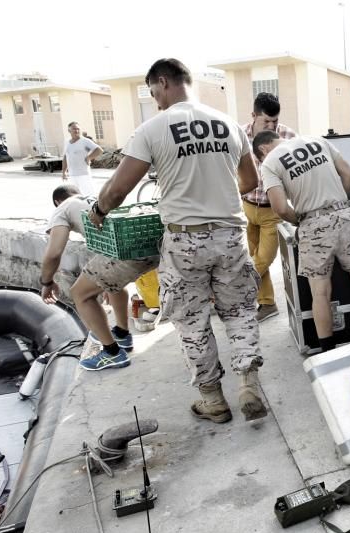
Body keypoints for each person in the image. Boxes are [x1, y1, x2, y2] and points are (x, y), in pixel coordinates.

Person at [91, 57, 268, 424]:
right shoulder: (230, 125)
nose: (155, 99)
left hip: (186, 241)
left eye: (154, 91)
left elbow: (119, 189)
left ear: (163, 82)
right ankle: (248, 382)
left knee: (192, 321)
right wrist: (216, 192)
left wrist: (98, 209)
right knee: (239, 312)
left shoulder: (153, 128)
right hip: (230, 236)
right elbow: (250, 182)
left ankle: (212, 400)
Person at [255, 130, 350, 353]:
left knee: (321, 292)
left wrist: (301, 220)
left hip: (313, 224)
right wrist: (339, 203)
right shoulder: (316, 140)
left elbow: (280, 208)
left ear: (263, 149)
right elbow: (349, 175)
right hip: (345, 215)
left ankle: (328, 351)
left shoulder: (269, 162)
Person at [39, 184, 159, 371]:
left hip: (126, 254)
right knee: (111, 282)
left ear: (57, 201)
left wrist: (47, 282)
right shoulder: (92, 198)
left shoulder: (62, 208)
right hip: (150, 247)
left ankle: (111, 353)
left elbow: (53, 253)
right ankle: (121, 332)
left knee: (80, 294)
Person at [241, 93, 296, 322]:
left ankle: (233, 291)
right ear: (253, 116)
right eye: (266, 122)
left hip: (273, 210)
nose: (272, 126)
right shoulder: (240, 135)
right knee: (254, 255)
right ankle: (267, 304)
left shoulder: (288, 136)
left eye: (275, 121)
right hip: (246, 206)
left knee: (263, 259)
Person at [62, 122, 102, 196]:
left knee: (90, 196)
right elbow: (65, 157)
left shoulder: (85, 141)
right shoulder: (66, 142)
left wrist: (89, 157)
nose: (76, 131)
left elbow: (99, 150)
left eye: (78, 129)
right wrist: (64, 172)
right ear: (69, 130)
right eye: (74, 129)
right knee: (76, 196)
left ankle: (92, 207)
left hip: (84, 175)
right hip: (72, 175)